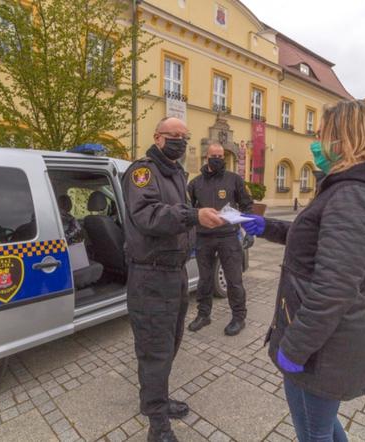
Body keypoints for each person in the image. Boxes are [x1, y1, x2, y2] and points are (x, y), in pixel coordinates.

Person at [241, 100, 365, 441]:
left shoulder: (352, 195)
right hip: (328, 340)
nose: (316, 143)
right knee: (322, 427)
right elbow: (319, 241)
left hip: (321, 347)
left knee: (313, 432)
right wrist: (266, 227)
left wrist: (295, 348)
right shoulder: (350, 188)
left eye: (323, 135)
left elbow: (334, 286)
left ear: (345, 138)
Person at [122, 117, 224, 442]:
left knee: (171, 343)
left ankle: (157, 402)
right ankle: (158, 427)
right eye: (174, 135)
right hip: (151, 276)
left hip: (174, 273)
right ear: (157, 137)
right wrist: (193, 216)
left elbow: (179, 215)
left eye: (185, 136)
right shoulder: (143, 172)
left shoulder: (177, 173)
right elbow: (148, 215)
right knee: (155, 351)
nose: (180, 141)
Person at [187, 142, 253, 336]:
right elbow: (186, 211)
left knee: (234, 280)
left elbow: (247, 205)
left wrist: (250, 231)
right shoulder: (195, 183)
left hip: (228, 237)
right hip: (203, 238)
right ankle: (203, 315)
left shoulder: (234, 180)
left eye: (220, 156)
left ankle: (239, 318)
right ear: (206, 157)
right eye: (213, 156)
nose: (217, 159)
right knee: (205, 280)